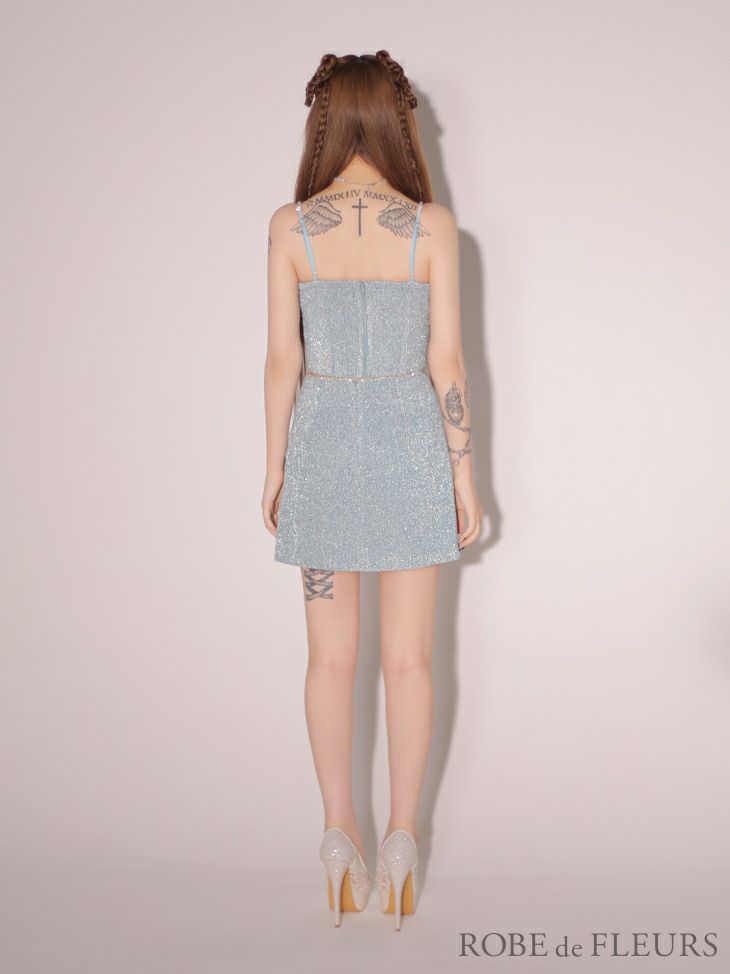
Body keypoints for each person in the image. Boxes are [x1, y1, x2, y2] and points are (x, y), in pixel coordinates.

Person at [262, 50, 484, 931]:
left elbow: (282, 361)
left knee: (329, 661)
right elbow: (448, 364)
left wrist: (275, 467)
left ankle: (337, 833)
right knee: (410, 661)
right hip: (409, 444)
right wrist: (464, 476)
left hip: (321, 443)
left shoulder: (291, 227)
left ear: (323, 122)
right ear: (397, 122)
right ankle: (400, 839)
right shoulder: (432, 228)